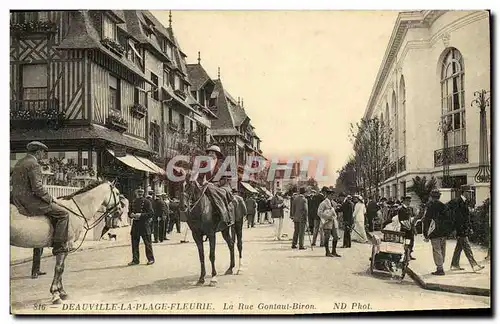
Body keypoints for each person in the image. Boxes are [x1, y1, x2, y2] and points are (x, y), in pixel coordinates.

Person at [11, 141, 70, 256]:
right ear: (38, 152)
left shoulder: (19, 162)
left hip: (15, 199)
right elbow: (37, 188)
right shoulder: (34, 164)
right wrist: (50, 199)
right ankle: (59, 246)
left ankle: (36, 270)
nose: (43, 156)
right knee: (63, 214)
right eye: (43, 153)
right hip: (30, 202)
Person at [197, 145, 234, 231]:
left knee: (220, 194)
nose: (210, 154)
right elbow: (199, 177)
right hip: (207, 186)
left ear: (217, 155)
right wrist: (201, 182)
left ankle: (225, 215)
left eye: (213, 153)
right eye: (209, 153)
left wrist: (215, 184)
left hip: (222, 186)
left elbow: (226, 179)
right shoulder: (204, 165)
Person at [449, 186, 485, 272]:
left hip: (463, 228)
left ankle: (454, 264)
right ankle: (474, 265)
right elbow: (457, 217)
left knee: (459, 247)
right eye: (469, 192)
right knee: (467, 247)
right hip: (461, 229)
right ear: (464, 192)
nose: (470, 194)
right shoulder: (458, 202)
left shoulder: (464, 201)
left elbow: (466, 217)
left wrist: (469, 228)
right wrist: (458, 229)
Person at [423, 189, 453, 276]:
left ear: (431, 197)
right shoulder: (443, 206)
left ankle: (440, 268)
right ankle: (441, 265)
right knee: (442, 249)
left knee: (437, 250)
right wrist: (447, 231)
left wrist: (426, 234)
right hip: (443, 232)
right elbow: (449, 219)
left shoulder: (430, 207)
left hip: (434, 232)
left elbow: (427, 220)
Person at [128, 188, 155, 266]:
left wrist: (141, 215)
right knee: (134, 244)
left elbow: (151, 213)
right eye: (138, 192)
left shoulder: (147, 202)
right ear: (136, 193)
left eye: (141, 192)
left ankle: (151, 259)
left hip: (144, 225)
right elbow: (129, 213)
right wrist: (131, 215)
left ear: (143, 193)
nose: (140, 194)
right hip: (135, 226)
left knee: (148, 244)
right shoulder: (133, 202)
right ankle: (135, 260)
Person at [317, 187, 341, 257]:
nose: (332, 196)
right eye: (331, 195)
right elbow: (319, 213)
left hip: (333, 222)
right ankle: (327, 252)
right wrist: (327, 216)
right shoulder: (323, 203)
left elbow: (335, 210)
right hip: (327, 222)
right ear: (327, 195)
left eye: (333, 195)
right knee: (327, 237)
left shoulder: (333, 203)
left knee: (336, 237)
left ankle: (334, 251)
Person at [398, 196, 416, 260]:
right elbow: (401, 220)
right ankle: (406, 255)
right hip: (405, 229)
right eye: (407, 201)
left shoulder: (410, 209)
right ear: (404, 201)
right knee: (406, 243)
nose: (408, 202)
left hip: (410, 229)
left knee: (411, 242)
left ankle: (409, 254)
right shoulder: (401, 209)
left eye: (409, 201)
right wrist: (408, 226)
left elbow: (412, 217)